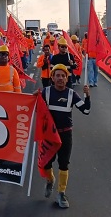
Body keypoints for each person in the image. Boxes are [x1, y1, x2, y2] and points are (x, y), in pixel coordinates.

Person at [40, 64, 91, 209]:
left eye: (63, 76)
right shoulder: (46, 92)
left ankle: (61, 193)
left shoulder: (71, 94)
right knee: (46, 164)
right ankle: (50, 180)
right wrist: (34, 98)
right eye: (58, 75)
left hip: (65, 134)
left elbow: (86, 111)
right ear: (53, 78)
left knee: (64, 164)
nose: (60, 78)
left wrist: (87, 96)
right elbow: (36, 108)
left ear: (66, 78)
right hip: (50, 135)